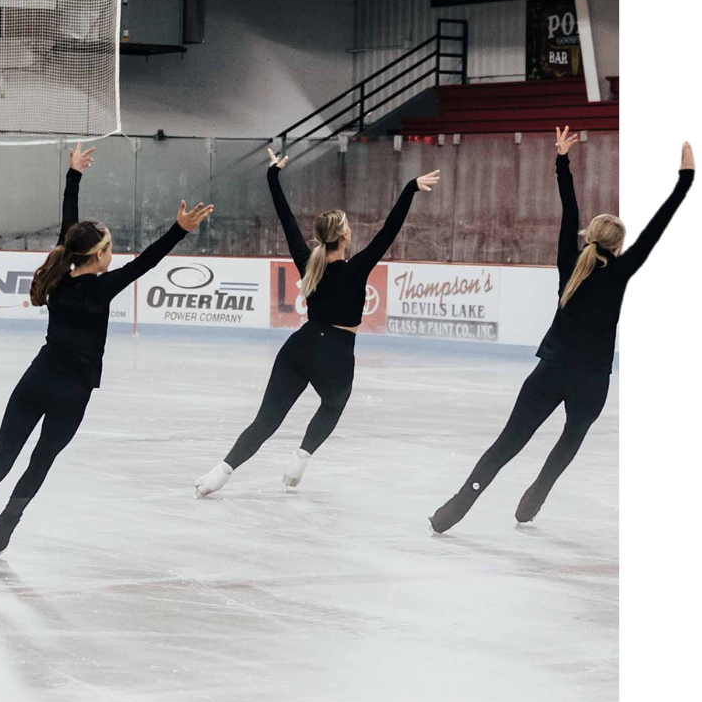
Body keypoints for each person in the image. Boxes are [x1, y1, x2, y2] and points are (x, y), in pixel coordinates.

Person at [0, 143, 214, 567]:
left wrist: (73, 176)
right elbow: (147, 262)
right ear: (98, 256)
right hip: (73, 395)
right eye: (109, 247)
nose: (113, 252)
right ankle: (8, 521)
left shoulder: (59, 275)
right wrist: (179, 229)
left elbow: (69, 226)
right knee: (40, 461)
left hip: (36, 381)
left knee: (1, 457)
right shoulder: (102, 285)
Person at [430, 132, 695, 532]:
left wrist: (562, 159)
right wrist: (685, 177)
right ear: (622, 246)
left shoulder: (569, 264)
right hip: (591, 381)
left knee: (508, 443)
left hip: (551, 371)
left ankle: (458, 505)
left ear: (587, 238)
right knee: (569, 440)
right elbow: (660, 222)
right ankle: (535, 497)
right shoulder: (623, 272)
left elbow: (568, 208)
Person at [195, 148, 439, 497]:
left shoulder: (308, 261)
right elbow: (390, 229)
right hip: (336, 354)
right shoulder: (357, 269)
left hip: (300, 347)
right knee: (334, 404)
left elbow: (286, 220)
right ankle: (301, 456)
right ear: (343, 237)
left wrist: (272, 176)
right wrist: (409, 188)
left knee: (266, 420)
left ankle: (221, 471)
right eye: (349, 228)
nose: (352, 231)